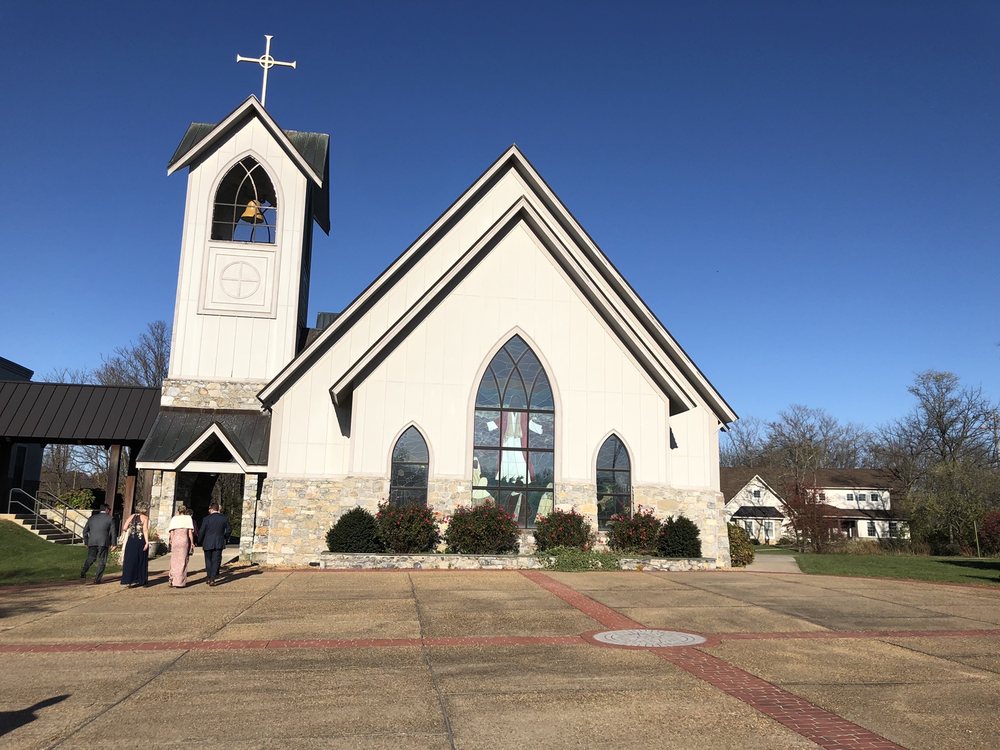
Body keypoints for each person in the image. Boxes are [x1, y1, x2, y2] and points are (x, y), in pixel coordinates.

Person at [80, 504, 116, 584]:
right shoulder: (110, 518)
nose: (110, 511)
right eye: (109, 509)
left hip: (92, 541)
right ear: (106, 509)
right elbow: (113, 532)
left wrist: (86, 542)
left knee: (91, 558)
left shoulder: (92, 518)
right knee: (102, 560)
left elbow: (85, 531)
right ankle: (97, 579)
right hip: (103, 542)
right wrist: (114, 544)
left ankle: (83, 571)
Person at [198, 502, 231, 586]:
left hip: (208, 541)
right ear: (218, 509)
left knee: (208, 560)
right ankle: (212, 578)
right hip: (219, 541)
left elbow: (202, 531)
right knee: (216, 560)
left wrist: (199, 540)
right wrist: (225, 537)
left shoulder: (206, 519)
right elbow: (229, 530)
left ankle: (209, 577)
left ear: (211, 509)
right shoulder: (224, 518)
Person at [119, 508, 150, 588]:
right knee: (140, 559)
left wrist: (131, 528)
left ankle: (128, 579)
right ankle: (141, 579)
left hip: (131, 540)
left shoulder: (131, 516)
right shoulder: (145, 518)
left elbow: (124, 528)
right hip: (140, 540)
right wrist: (147, 542)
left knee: (130, 559)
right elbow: (145, 530)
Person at [166, 505, 196, 588]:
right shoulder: (188, 518)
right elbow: (190, 533)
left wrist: (171, 540)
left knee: (174, 560)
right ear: (185, 511)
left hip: (175, 539)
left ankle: (172, 578)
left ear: (178, 511)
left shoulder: (174, 519)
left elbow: (172, 532)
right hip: (184, 540)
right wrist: (192, 542)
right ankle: (180, 581)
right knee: (182, 560)